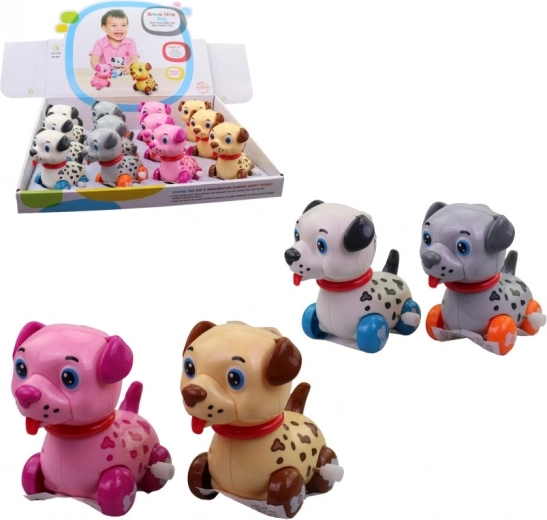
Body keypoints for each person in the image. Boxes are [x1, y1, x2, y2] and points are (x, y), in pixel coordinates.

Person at [89, 9, 139, 76]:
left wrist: (130, 66)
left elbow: (134, 58)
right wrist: (100, 69)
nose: (119, 29)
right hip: (106, 76)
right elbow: (94, 59)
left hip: (125, 76)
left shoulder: (130, 42)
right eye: (114, 25)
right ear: (104, 27)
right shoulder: (100, 43)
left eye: (123, 25)